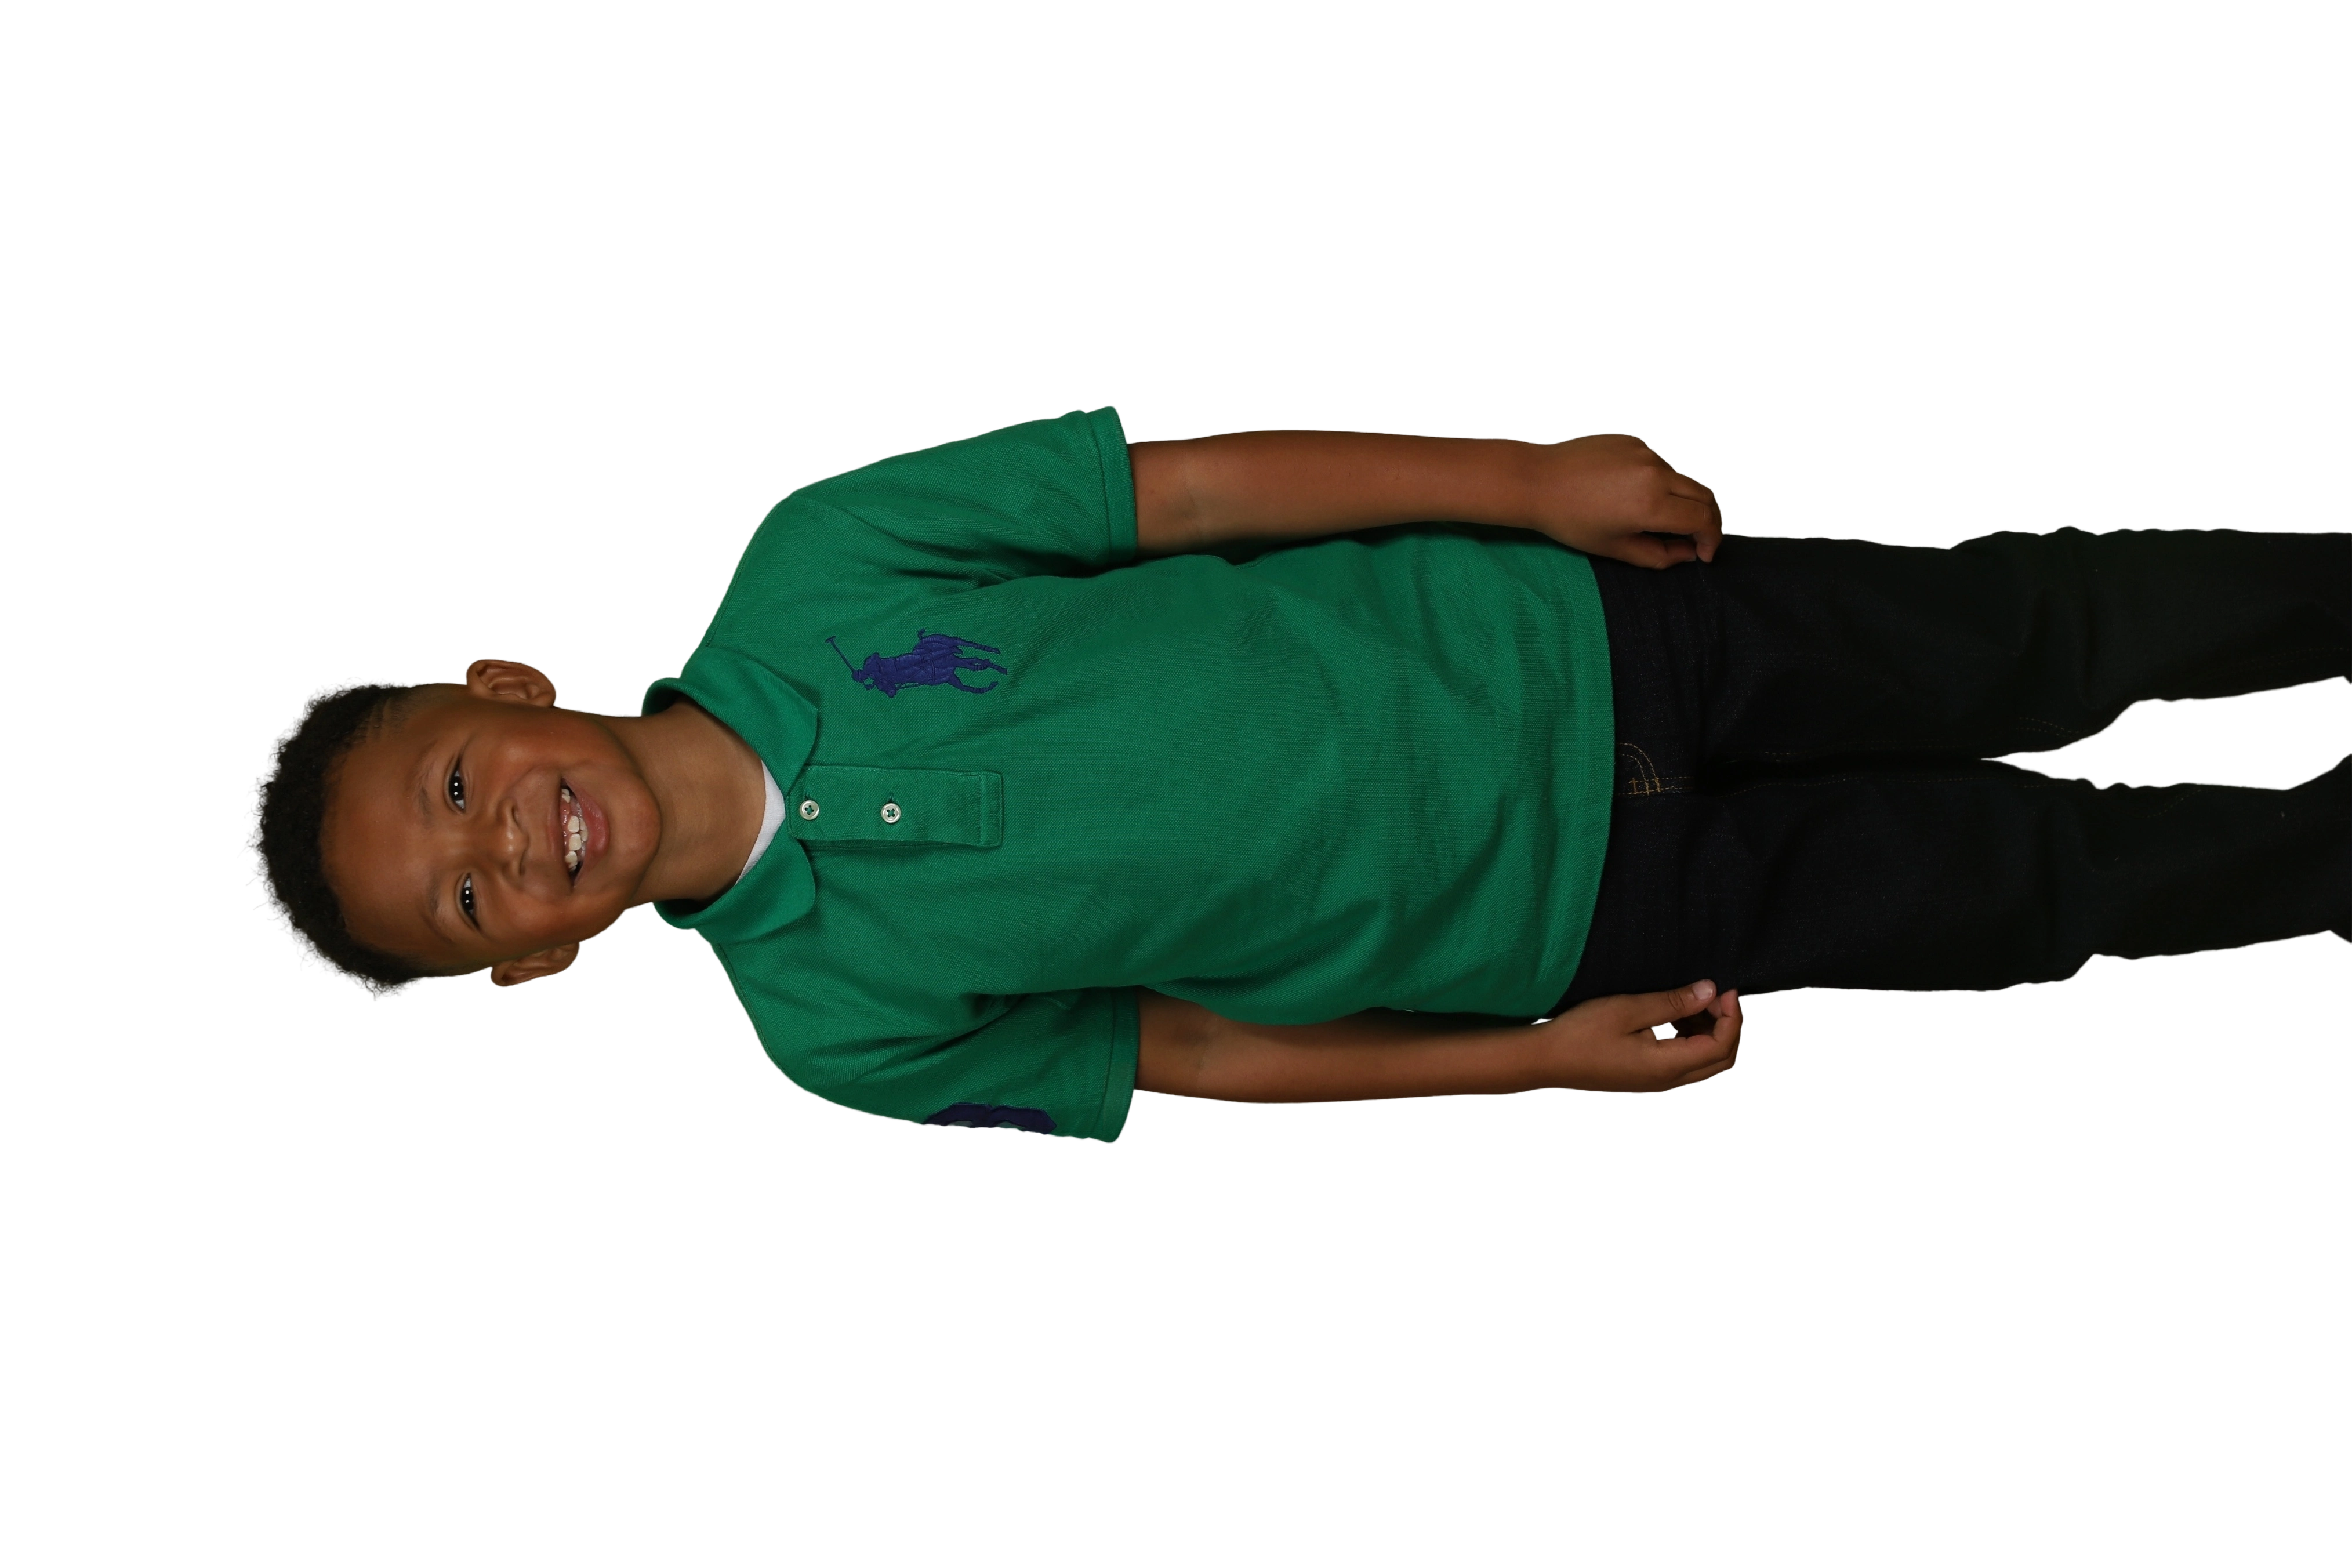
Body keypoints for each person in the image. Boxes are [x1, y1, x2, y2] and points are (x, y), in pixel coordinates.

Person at [238, 405, 2352, 1143]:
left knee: (2041, 630)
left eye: (456, 783)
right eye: (468, 901)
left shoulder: (821, 556)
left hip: (1585, 635)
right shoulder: (837, 1032)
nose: (507, 842)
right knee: (2048, 891)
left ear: (504, 683)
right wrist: (1534, 1065)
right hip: (1584, 928)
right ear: (533, 966)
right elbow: (1194, 1052)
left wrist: (1526, 485)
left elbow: (1192, 492)